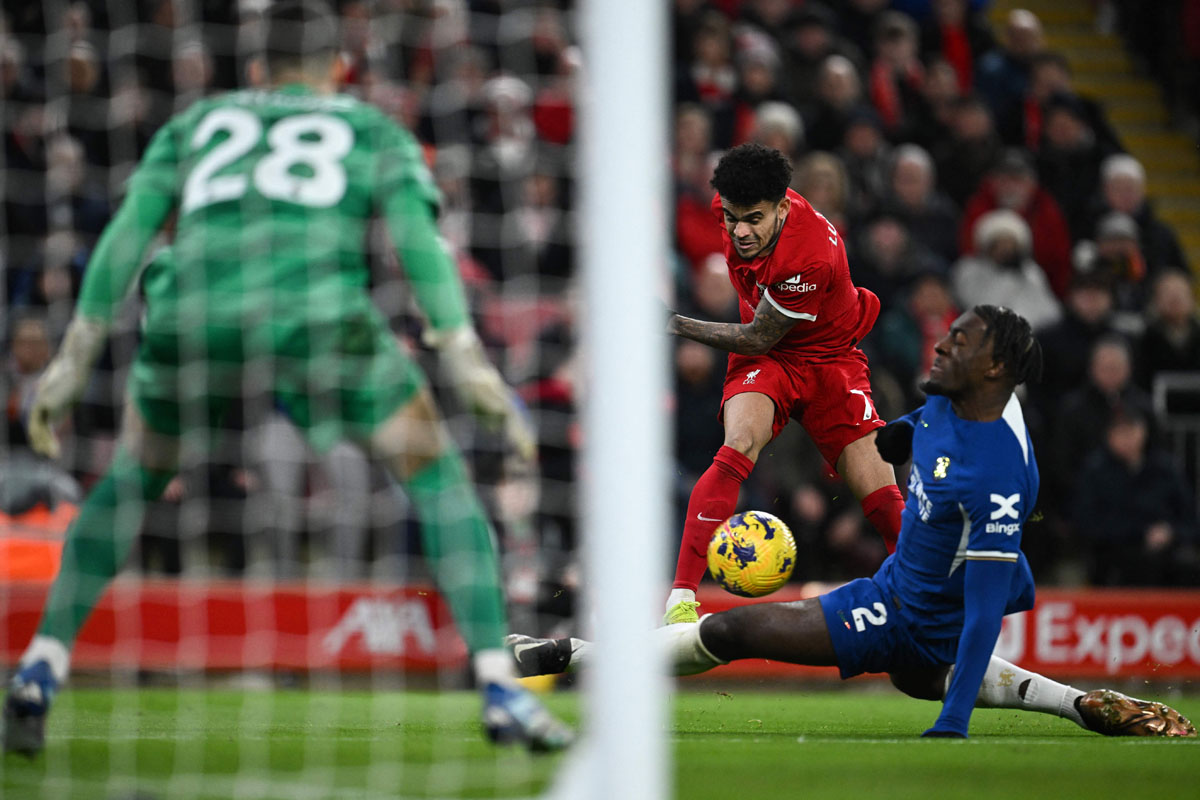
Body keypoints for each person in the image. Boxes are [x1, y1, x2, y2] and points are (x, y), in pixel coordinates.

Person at [3, 0, 570, 757]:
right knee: (437, 478)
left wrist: (75, 357)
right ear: (339, 70)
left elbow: (129, 230)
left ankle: (41, 667)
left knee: (132, 480)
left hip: (193, 311)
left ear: (260, 69)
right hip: (317, 313)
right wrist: (466, 361)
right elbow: (417, 242)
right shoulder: (368, 128)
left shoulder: (200, 123)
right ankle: (500, 684)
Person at [510, 306, 1197, 739]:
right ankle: (1080, 707)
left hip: (907, 611)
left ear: (993, 367)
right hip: (912, 593)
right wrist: (881, 440)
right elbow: (908, 432)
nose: (939, 346)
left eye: (957, 342)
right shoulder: (959, 405)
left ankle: (565, 658)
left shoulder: (995, 472)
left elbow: (986, 613)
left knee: (731, 628)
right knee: (920, 672)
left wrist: (953, 724)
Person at [664, 143, 904, 625]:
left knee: (880, 496)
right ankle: (681, 599)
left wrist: (672, 323)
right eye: (733, 218)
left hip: (827, 360)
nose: (741, 230)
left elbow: (756, 338)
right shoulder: (730, 201)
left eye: (754, 218)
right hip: (774, 359)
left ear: (783, 206)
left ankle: (931, 596)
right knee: (738, 444)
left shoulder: (809, 255)